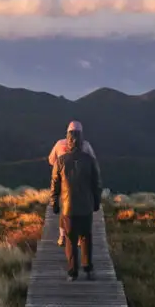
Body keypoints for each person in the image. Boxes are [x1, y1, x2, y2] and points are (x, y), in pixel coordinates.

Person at [50, 120, 102, 281]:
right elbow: (97, 184)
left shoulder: (61, 161)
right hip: (86, 206)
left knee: (70, 239)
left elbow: (55, 185)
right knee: (86, 237)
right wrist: (96, 202)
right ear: (82, 140)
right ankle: (87, 269)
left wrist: (54, 203)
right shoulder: (90, 160)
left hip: (67, 207)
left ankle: (73, 272)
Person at [48, 121, 97, 247]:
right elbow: (93, 161)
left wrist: (58, 168)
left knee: (65, 208)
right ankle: (81, 238)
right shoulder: (86, 145)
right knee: (81, 209)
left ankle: (62, 236)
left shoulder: (59, 144)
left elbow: (51, 159)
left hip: (63, 181)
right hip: (81, 183)